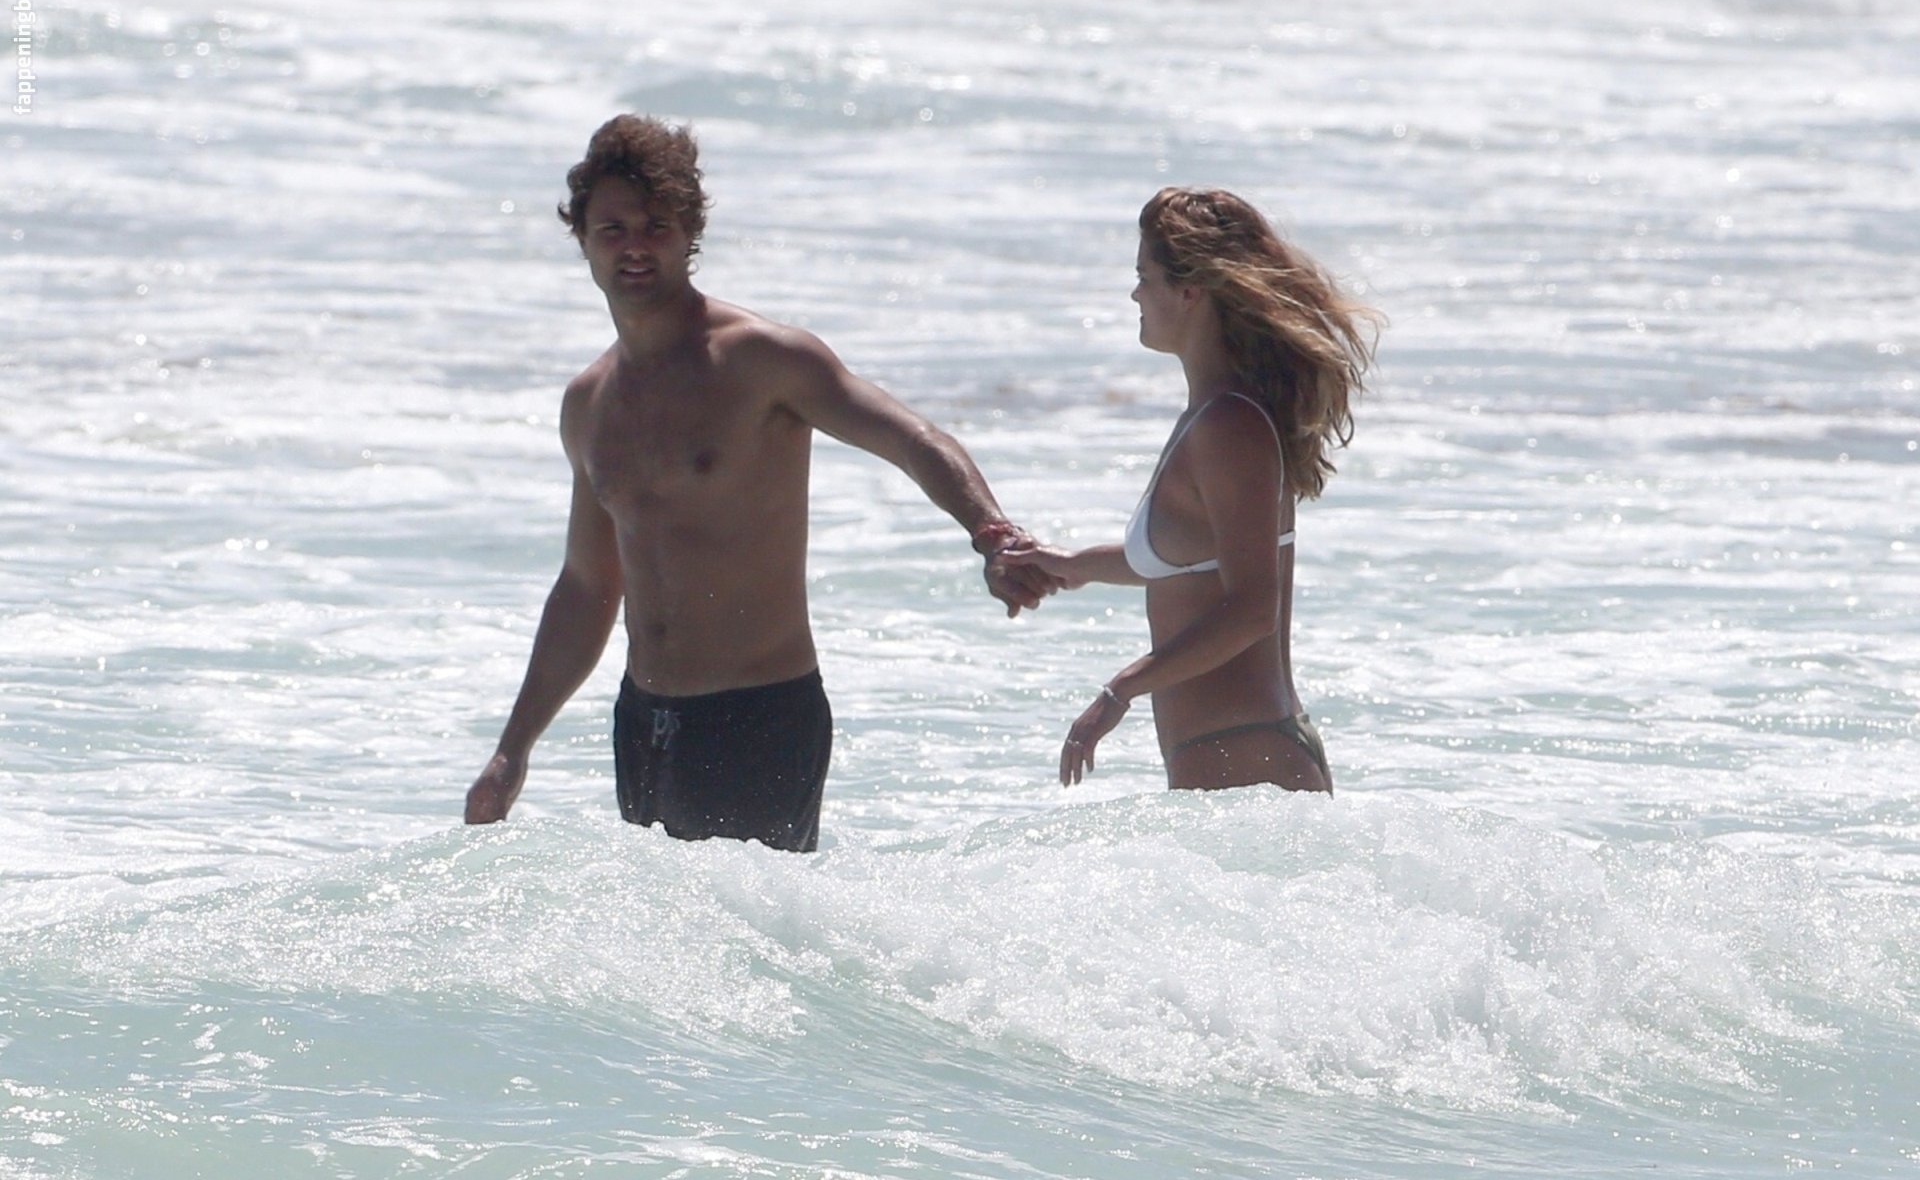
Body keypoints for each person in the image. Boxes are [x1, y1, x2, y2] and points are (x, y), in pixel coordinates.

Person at [464, 114, 1056, 850]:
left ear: (690, 233)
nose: (635, 246)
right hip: (644, 722)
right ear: (582, 237)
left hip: (760, 718)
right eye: (613, 229)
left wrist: (991, 534)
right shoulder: (590, 404)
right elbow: (587, 586)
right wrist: (513, 750)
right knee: (666, 927)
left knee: (755, 925)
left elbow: (913, 439)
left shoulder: (764, 361)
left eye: (656, 226)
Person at [1005, 187, 1381, 793]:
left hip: (1250, 758)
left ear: (1190, 291)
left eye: (1143, 277)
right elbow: (1189, 560)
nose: (1135, 294)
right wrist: (1072, 564)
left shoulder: (1229, 426)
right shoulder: (1212, 415)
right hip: (1238, 757)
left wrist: (1121, 690)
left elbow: (1253, 608)